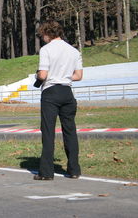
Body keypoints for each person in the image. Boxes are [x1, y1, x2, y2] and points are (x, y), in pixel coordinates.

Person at [33, 20, 83, 181]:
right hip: (67, 92)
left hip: (51, 92)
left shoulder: (46, 49)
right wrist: (64, 75)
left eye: (43, 35)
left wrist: (37, 76)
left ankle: (46, 172)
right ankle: (74, 170)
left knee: (48, 132)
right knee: (70, 131)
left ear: (47, 34)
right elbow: (78, 76)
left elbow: (43, 75)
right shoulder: (73, 51)